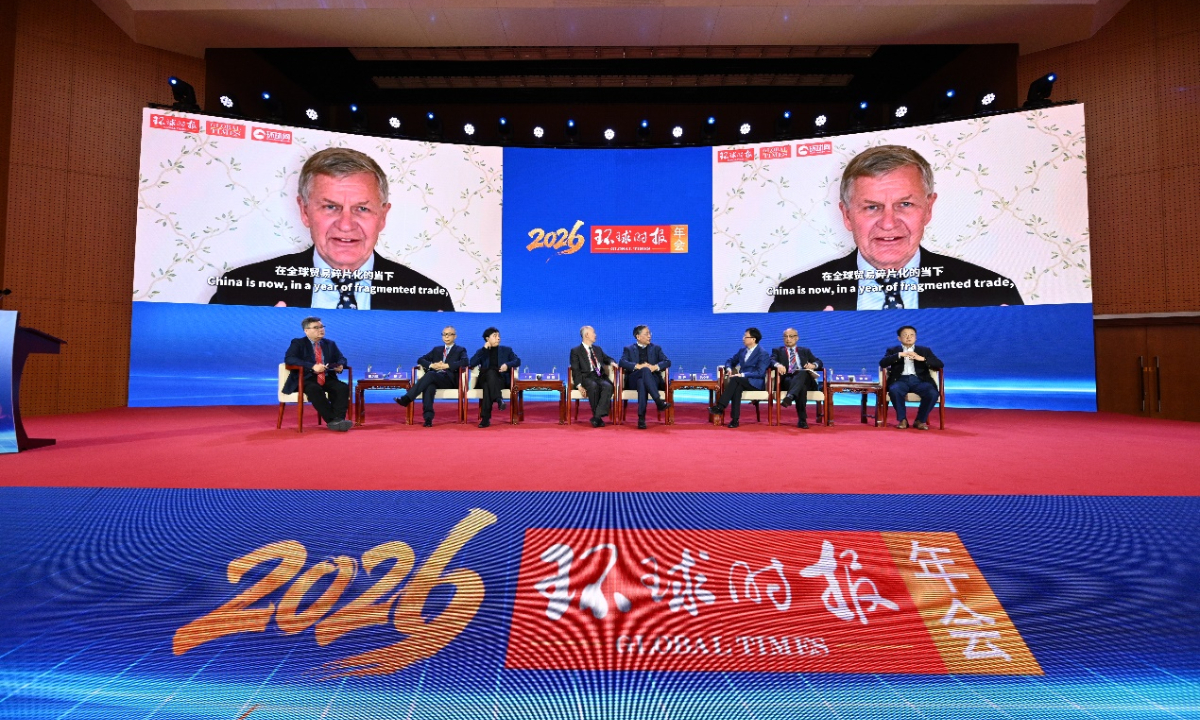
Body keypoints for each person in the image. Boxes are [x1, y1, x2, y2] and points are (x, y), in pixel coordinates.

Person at [768, 144, 1023, 312]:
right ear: (847, 215)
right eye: (872, 207)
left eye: (905, 204)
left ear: (928, 208)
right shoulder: (795, 299)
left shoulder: (991, 293)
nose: (888, 223)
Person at [208, 147, 453, 311]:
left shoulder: (429, 301)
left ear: (382, 216)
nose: (346, 225)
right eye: (330, 207)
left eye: (362, 209)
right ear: (305, 211)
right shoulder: (241, 291)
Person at [283, 317, 351, 431]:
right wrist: (312, 366)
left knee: (342, 388)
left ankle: (339, 420)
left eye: (322, 327)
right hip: (306, 378)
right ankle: (333, 420)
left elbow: (342, 358)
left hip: (326, 377)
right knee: (314, 389)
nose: (321, 329)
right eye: (316, 327)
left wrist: (340, 365)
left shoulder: (330, 344)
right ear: (306, 331)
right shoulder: (298, 343)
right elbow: (290, 359)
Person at [395, 326, 468, 426]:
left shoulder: (460, 350)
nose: (446, 337)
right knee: (429, 386)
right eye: (444, 334)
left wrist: (447, 365)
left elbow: (465, 362)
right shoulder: (437, 350)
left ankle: (407, 398)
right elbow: (421, 359)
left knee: (430, 375)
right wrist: (431, 365)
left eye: (449, 334)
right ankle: (428, 419)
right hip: (435, 378)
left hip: (449, 380)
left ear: (455, 336)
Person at [880, 325, 944, 430]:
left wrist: (922, 359)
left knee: (932, 393)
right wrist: (899, 355)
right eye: (905, 335)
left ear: (916, 337)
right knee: (895, 390)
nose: (908, 337)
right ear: (899, 338)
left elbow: (940, 364)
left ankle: (920, 420)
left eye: (911, 335)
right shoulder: (893, 350)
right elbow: (882, 363)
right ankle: (902, 420)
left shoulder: (924, 350)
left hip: (920, 381)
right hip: (900, 380)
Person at [709, 327, 772, 428]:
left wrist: (743, 375)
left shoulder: (762, 353)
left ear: (753, 339)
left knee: (735, 379)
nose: (743, 338)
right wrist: (729, 368)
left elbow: (760, 373)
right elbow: (730, 361)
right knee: (737, 387)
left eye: (745, 336)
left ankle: (720, 407)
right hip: (741, 381)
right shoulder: (742, 351)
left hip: (755, 383)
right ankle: (735, 420)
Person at [618, 325, 672, 430]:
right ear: (638, 336)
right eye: (646, 334)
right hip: (633, 379)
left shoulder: (656, 348)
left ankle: (641, 418)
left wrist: (655, 367)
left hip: (653, 379)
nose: (649, 336)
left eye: (650, 333)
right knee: (644, 372)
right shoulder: (628, 349)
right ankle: (658, 401)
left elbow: (667, 362)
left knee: (642, 382)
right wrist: (638, 366)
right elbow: (622, 362)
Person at [771, 328, 823, 428]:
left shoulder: (805, 351)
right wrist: (778, 365)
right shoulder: (777, 350)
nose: (788, 339)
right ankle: (802, 420)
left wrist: (813, 365)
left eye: (791, 336)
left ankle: (790, 396)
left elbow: (819, 362)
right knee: (801, 388)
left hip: (807, 380)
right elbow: (771, 360)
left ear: (797, 338)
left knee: (802, 372)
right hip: (788, 380)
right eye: (785, 336)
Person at [469, 327, 520, 428]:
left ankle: (485, 419)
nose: (498, 338)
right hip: (483, 378)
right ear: (487, 339)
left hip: (500, 379)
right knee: (490, 373)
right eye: (495, 336)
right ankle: (498, 398)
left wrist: (507, 365)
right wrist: (484, 349)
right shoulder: (481, 351)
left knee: (487, 386)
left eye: (499, 336)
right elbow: (472, 363)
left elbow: (517, 361)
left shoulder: (506, 350)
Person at [569, 325, 617, 427]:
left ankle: (596, 417)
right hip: (586, 377)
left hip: (599, 376)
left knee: (608, 386)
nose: (595, 335)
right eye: (593, 333)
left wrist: (612, 362)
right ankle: (598, 418)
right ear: (586, 335)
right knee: (593, 386)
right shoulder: (576, 351)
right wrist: (579, 385)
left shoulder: (597, 349)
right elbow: (575, 369)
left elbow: (607, 358)